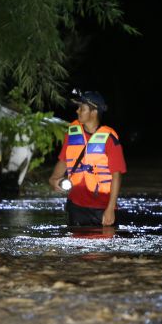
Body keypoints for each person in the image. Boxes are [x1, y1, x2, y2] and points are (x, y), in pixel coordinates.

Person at [49, 90, 126, 226]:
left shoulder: (110, 138)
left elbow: (117, 175)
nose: (77, 111)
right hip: (76, 206)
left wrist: (110, 209)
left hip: (102, 208)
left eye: (82, 108)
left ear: (94, 112)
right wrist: (54, 178)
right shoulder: (72, 133)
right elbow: (64, 160)